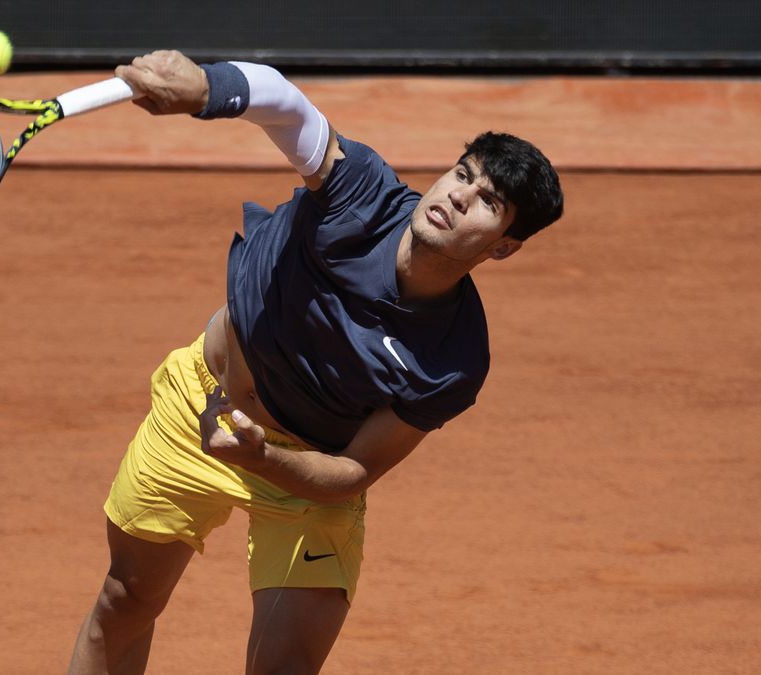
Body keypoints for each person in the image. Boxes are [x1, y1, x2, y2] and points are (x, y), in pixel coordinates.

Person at [68, 50, 564, 675]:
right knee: (126, 600)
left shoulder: (454, 359)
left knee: (287, 666)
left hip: (302, 473)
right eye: (462, 174)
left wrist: (261, 457)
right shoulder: (360, 192)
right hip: (199, 408)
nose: (459, 196)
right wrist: (205, 89)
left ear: (506, 246)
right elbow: (284, 103)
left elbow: (354, 471)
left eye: (489, 201)